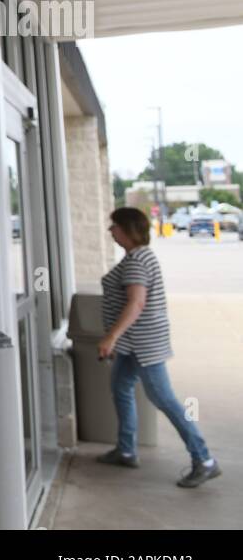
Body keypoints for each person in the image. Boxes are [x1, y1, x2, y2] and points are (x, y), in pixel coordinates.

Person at [97, 207, 221, 487]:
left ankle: (204, 459)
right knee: (120, 389)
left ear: (128, 229)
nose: (110, 231)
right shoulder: (138, 257)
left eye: (114, 226)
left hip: (143, 345)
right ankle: (126, 450)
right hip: (135, 345)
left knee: (164, 399)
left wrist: (110, 337)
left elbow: (136, 304)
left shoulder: (136, 262)